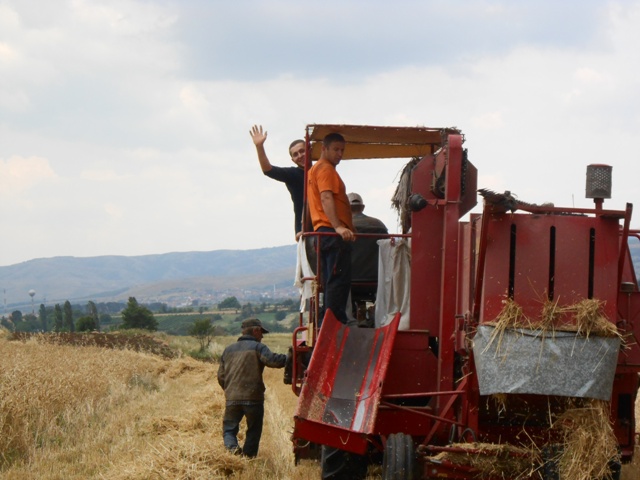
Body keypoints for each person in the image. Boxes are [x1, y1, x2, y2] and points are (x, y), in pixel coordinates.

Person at [217, 317, 288, 457]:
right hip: (253, 398)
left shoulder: (228, 350)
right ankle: (248, 459)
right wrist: (291, 358)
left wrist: (230, 390)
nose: (262, 336)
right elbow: (273, 360)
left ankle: (232, 451)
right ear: (255, 330)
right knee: (253, 431)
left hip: (232, 398)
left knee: (229, 430)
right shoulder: (258, 347)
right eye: (261, 332)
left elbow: (221, 376)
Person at [307, 132, 355, 325]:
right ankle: (334, 321)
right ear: (323, 149)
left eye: (342, 150)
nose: (340, 154)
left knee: (330, 280)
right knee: (338, 280)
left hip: (323, 232)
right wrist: (338, 227)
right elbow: (326, 197)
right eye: (336, 149)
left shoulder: (314, 170)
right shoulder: (326, 169)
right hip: (331, 231)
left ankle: (328, 320)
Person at [250, 124, 305, 239]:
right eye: (295, 154)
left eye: (302, 151)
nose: (300, 156)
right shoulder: (292, 175)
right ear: (292, 160)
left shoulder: (321, 171)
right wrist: (259, 147)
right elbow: (268, 170)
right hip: (304, 231)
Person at [348, 193, 389, 327]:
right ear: (363, 207)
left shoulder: (342, 226)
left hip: (347, 280)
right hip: (376, 279)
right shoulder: (379, 225)